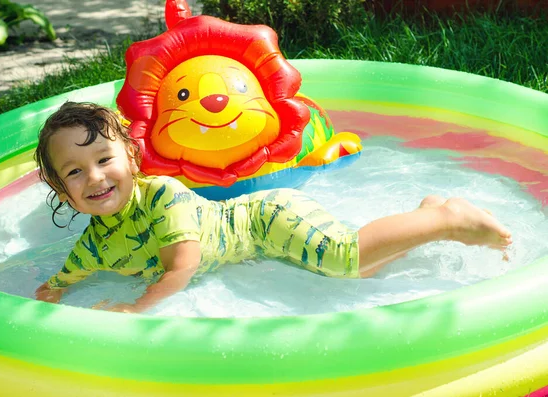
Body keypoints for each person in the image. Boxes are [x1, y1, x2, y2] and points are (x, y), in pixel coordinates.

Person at [34, 102, 513, 313]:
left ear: (132, 159)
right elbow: (58, 282)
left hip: (265, 220)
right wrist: (48, 299)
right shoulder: (95, 243)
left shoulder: (162, 195)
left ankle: (448, 221)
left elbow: (182, 268)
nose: (95, 177)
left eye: (103, 159)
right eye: (74, 171)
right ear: (61, 190)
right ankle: (426, 216)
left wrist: (137, 308)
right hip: (255, 244)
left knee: (344, 256)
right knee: (361, 273)